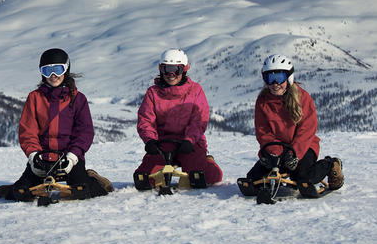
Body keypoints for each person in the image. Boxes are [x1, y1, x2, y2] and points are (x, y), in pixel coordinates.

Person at [0, 48, 113, 201]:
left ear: (66, 69)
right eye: (47, 71)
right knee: (20, 193)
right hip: (42, 158)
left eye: (58, 69)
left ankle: (94, 179)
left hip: (69, 158)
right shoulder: (35, 98)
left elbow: (85, 132)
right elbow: (27, 131)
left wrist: (73, 156)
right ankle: (18, 186)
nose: (53, 75)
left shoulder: (77, 99)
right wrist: (33, 156)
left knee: (83, 191)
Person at [244, 54, 343, 190]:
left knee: (302, 177)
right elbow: (263, 131)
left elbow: (307, 130)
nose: (275, 84)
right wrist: (273, 153)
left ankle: (330, 164)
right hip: (277, 148)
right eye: (270, 78)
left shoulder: (302, 97)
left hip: (303, 146)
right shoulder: (263, 101)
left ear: (289, 78)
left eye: (279, 78)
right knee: (254, 179)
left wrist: (294, 153)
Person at [134, 48, 223, 189]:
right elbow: (145, 120)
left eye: (176, 69)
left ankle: (209, 162)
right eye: (166, 69)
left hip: (189, 144)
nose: (171, 74)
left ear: (184, 70)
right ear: (160, 70)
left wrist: (189, 140)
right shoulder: (153, 93)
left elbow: (199, 120)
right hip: (162, 145)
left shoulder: (195, 90)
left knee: (201, 178)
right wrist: (150, 140)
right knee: (145, 179)